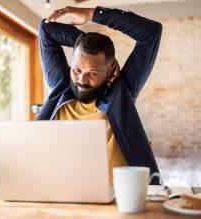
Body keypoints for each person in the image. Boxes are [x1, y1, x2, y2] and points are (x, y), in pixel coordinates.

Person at [37, 6, 162, 185]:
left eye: (93, 73)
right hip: (63, 192)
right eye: (77, 69)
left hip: (119, 200)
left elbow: (151, 33)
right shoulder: (60, 85)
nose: (81, 79)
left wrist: (91, 14)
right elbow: (46, 29)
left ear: (110, 70)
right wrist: (84, 44)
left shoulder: (122, 90)